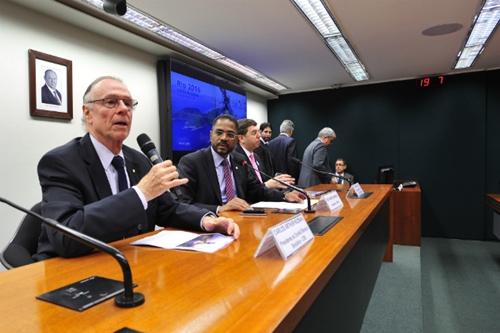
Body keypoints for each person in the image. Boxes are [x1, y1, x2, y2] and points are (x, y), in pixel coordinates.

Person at [34, 76, 239, 260]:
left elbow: (168, 209)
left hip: (131, 263)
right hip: (73, 271)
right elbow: (66, 236)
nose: (123, 109)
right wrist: (141, 193)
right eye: (111, 102)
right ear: (88, 113)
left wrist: (206, 220)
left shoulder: (137, 160)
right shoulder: (60, 162)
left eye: (128, 103)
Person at [177, 114, 304, 214]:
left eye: (230, 134)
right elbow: (183, 204)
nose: (224, 138)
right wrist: (219, 209)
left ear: (237, 139)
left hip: (241, 219)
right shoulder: (191, 162)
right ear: (211, 135)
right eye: (219, 132)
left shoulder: (239, 160)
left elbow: (256, 190)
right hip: (209, 224)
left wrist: (285, 195)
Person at [235, 118, 294, 189]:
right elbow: (247, 190)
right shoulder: (236, 159)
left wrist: (284, 196)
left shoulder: (255, 156)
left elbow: (264, 183)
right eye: (254, 133)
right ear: (241, 138)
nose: (259, 136)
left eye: (258, 132)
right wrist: (268, 185)